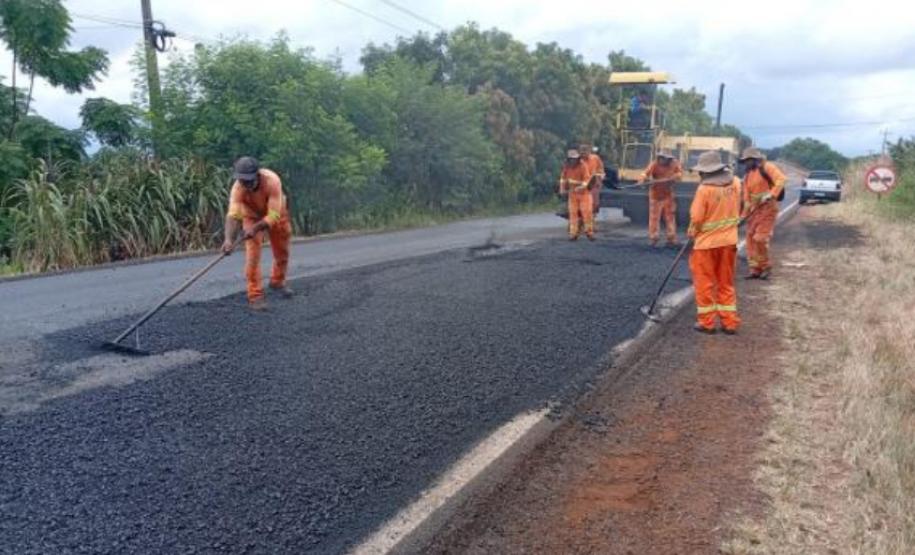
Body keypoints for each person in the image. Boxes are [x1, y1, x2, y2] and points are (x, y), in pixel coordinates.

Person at [222, 156, 294, 310]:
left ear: (257, 175)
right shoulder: (237, 188)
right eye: (242, 180)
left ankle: (277, 282)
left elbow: (273, 216)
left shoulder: (272, 181)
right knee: (252, 257)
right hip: (251, 216)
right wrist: (228, 240)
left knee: (282, 252)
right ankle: (255, 295)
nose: (246, 184)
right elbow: (233, 214)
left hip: (277, 215)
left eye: (249, 180)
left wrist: (254, 229)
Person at [687, 151, 742, 335]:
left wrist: (692, 232)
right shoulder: (736, 183)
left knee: (704, 283)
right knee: (726, 282)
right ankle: (730, 323)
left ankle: (707, 323)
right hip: (729, 242)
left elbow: (696, 217)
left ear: (705, 172)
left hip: (706, 245)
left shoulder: (704, 190)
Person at [739, 147, 787, 280]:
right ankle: (755, 269)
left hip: (768, 209)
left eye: (748, 160)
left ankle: (766, 267)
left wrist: (771, 194)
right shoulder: (748, 176)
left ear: (755, 159)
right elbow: (747, 199)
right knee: (750, 241)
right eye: (745, 161)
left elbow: (781, 180)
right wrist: (743, 216)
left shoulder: (767, 167)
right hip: (754, 212)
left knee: (759, 239)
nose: (746, 163)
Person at [639, 149, 683, 247]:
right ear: (659, 158)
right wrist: (643, 179)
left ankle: (671, 238)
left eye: (666, 159)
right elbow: (644, 173)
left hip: (668, 195)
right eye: (662, 158)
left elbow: (680, 174)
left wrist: (672, 177)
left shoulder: (674, 163)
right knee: (654, 218)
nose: (664, 161)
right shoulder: (654, 164)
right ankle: (653, 238)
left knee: (670, 217)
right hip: (655, 195)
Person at [558, 149, 595, 241]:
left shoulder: (583, 166)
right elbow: (562, 179)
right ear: (568, 159)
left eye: (574, 159)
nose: (573, 160)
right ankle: (573, 235)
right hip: (572, 194)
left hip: (584, 194)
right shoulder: (566, 167)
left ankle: (589, 233)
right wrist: (562, 189)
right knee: (573, 214)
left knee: (586, 213)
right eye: (571, 159)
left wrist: (581, 187)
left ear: (577, 159)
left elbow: (586, 180)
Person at [579, 142, 606, 224]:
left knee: (594, 204)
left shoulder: (595, 158)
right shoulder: (577, 161)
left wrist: (600, 177)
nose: (584, 153)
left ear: (589, 151)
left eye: (585, 151)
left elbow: (600, 169)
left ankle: (591, 220)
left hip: (594, 184)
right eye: (582, 151)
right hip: (581, 185)